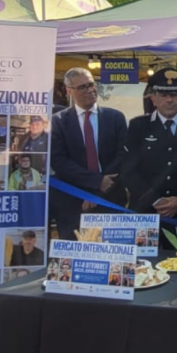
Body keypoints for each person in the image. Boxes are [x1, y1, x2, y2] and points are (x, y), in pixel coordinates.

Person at [50, 67, 127, 240]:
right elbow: (59, 161)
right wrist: (95, 182)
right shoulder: (58, 121)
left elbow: (122, 156)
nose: (90, 90)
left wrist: (100, 191)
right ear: (69, 91)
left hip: (110, 199)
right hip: (73, 204)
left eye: (92, 84)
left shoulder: (115, 118)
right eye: (83, 87)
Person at [121, 68, 177, 221]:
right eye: (163, 95)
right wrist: (155, 200)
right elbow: (128, 169)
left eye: (174, 95)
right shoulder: (138, 126)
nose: (169, 100)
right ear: (153, 98)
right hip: (147, 211)